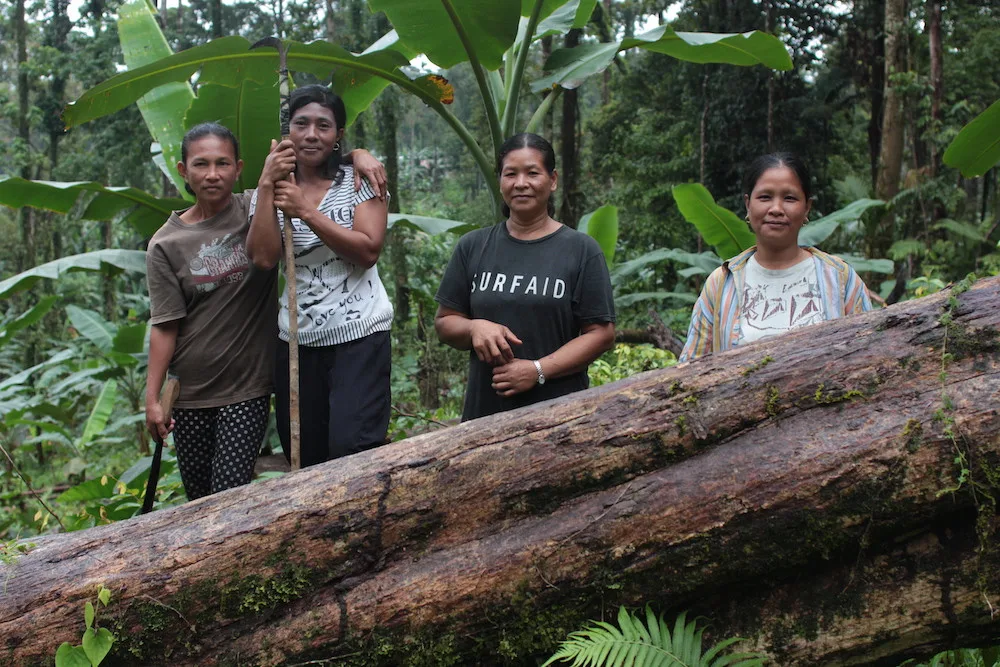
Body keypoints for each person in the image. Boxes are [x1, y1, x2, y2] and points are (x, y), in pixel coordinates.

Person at [246, 84, 392, 468]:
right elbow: (263, 257)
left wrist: (306, 212)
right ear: (288, 131)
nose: (311, 134)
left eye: (323, 126)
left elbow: (368, 251)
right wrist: (266, 185)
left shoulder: (360, 180)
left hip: (359, 334)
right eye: (302, 124)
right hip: (297, 337)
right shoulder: (271, 190)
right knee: (303, 453)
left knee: (352, 446)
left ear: (338, 135)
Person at [434, 133, 616, 421]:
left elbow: (601, 334)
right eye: (511, 174)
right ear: (500, 181)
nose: (521, 183)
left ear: (552, 180)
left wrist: (537, 370)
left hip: (560, 418)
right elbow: (445, 322)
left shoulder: (581, 250)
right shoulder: (473, 246)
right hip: (484, 418)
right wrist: (474, 328)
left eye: (532, 173)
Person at [145, 123, 276, 500]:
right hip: (190, 394)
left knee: (229, 498)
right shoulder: (165, 244)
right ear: (183, 171)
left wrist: (357, 156)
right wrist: (152, 399)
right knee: (200, 503)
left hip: (246, 388)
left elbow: (317, 165)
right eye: (201, 164)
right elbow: (165, 325)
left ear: (238, 168)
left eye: (223, 163)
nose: (213, 174)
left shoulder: (258, 207)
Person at [679, 151, 872, 362]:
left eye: (789, 198)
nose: (776, 209)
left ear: (807, 207)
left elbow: (869, 356)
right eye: (765, 197)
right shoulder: (722, 283)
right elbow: (691, 367)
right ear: (748, 204)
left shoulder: (840, 278)